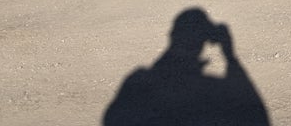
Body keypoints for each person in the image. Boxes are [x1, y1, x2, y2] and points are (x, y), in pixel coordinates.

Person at [103, 8, 269, 126]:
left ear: (173, 35)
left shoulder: (137, 81)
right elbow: (257, 115)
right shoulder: (211, 87)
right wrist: (229, 55)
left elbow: (112, 118)